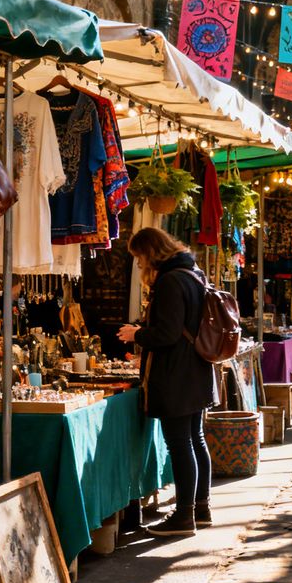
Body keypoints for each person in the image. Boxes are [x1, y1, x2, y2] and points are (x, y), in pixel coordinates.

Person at [117, 228, 218, 537]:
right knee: (194, 439)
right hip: (196, 369)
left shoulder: (170, 280)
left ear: (150, 253)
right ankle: (201, 508)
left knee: (181, 443)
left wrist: (137, 334)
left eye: (138, 258)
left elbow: (168, 333)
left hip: (178, 373)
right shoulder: (192, 273)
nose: (138, 265)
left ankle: (184, 517)